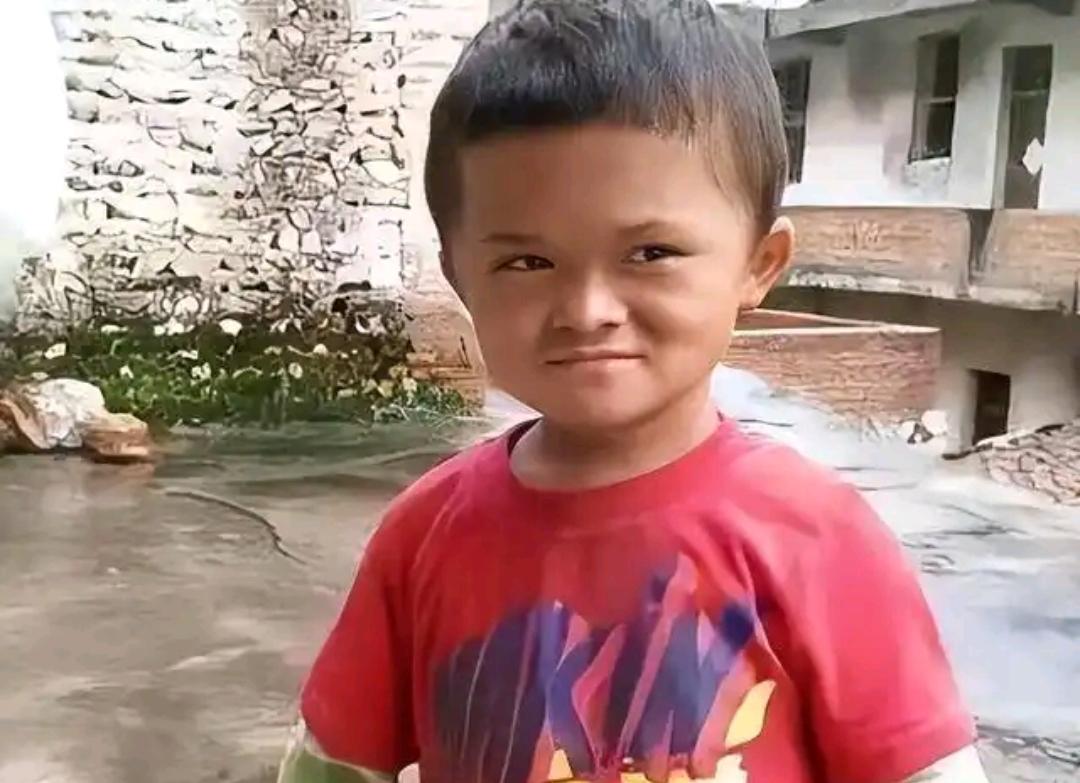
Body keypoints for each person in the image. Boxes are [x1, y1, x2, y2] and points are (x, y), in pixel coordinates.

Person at [279, 1, 988, 781]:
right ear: (459, 274)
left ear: (759, 263)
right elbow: (335, 765)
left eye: (651, 252)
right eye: (526, 263)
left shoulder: (821, 543)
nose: (587, 310)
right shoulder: (421, 539)